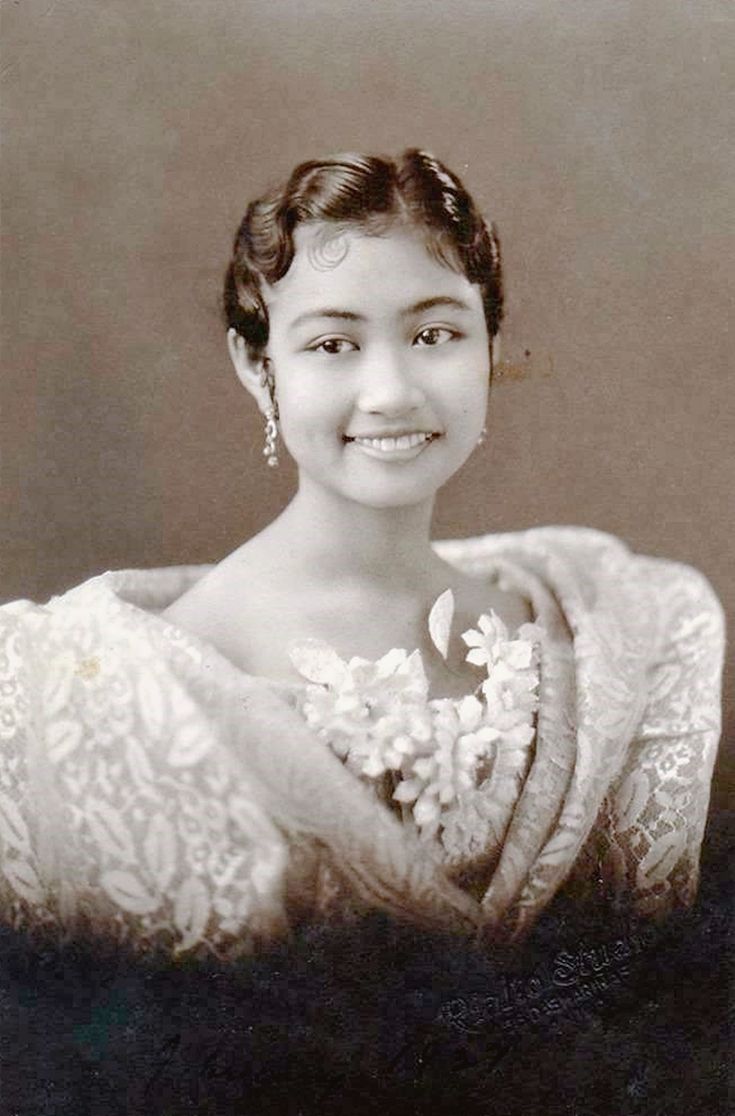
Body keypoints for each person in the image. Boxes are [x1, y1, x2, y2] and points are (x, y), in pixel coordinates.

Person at [0, 149, 725, 961]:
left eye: (433, 333)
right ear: (256, 365)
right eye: (332, 345)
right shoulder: (147, 675)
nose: (390, 390)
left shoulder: (596, 629)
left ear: (490, 345)